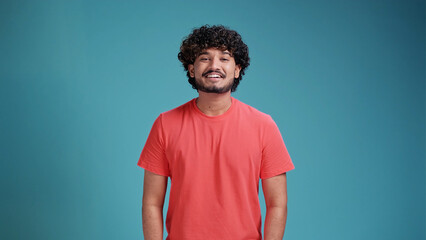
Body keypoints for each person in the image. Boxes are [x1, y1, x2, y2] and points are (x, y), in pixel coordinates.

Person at [138, 25, 295, 240]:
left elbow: (277, 204)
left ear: (237, 69)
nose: (214, 66)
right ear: (191, 69)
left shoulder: (263, 126)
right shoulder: (165, 124)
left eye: (224, 58)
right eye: (204, 58)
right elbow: (152, 203)